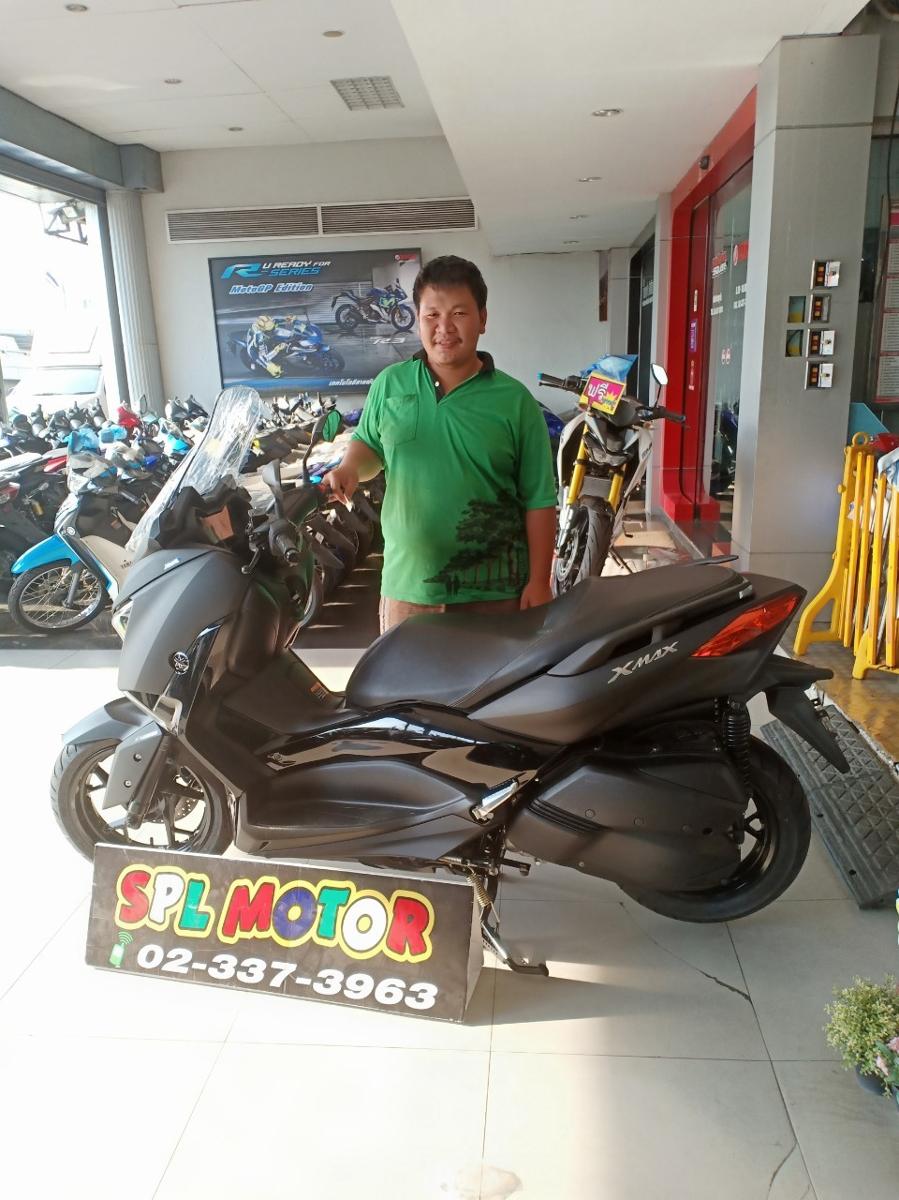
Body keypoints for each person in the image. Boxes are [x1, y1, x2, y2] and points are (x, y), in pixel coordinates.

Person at [322, 255, 557, 634]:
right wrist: (349, 468)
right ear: (418, 319)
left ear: (482, 318)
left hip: (496, 596)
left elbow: (539, 499)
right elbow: (369, 444)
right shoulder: (390, 384)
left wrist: (540, 581)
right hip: (408, 592)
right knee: (405, 677)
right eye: (432, 315)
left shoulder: (515, 401)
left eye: (459, 313)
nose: (444, 327)